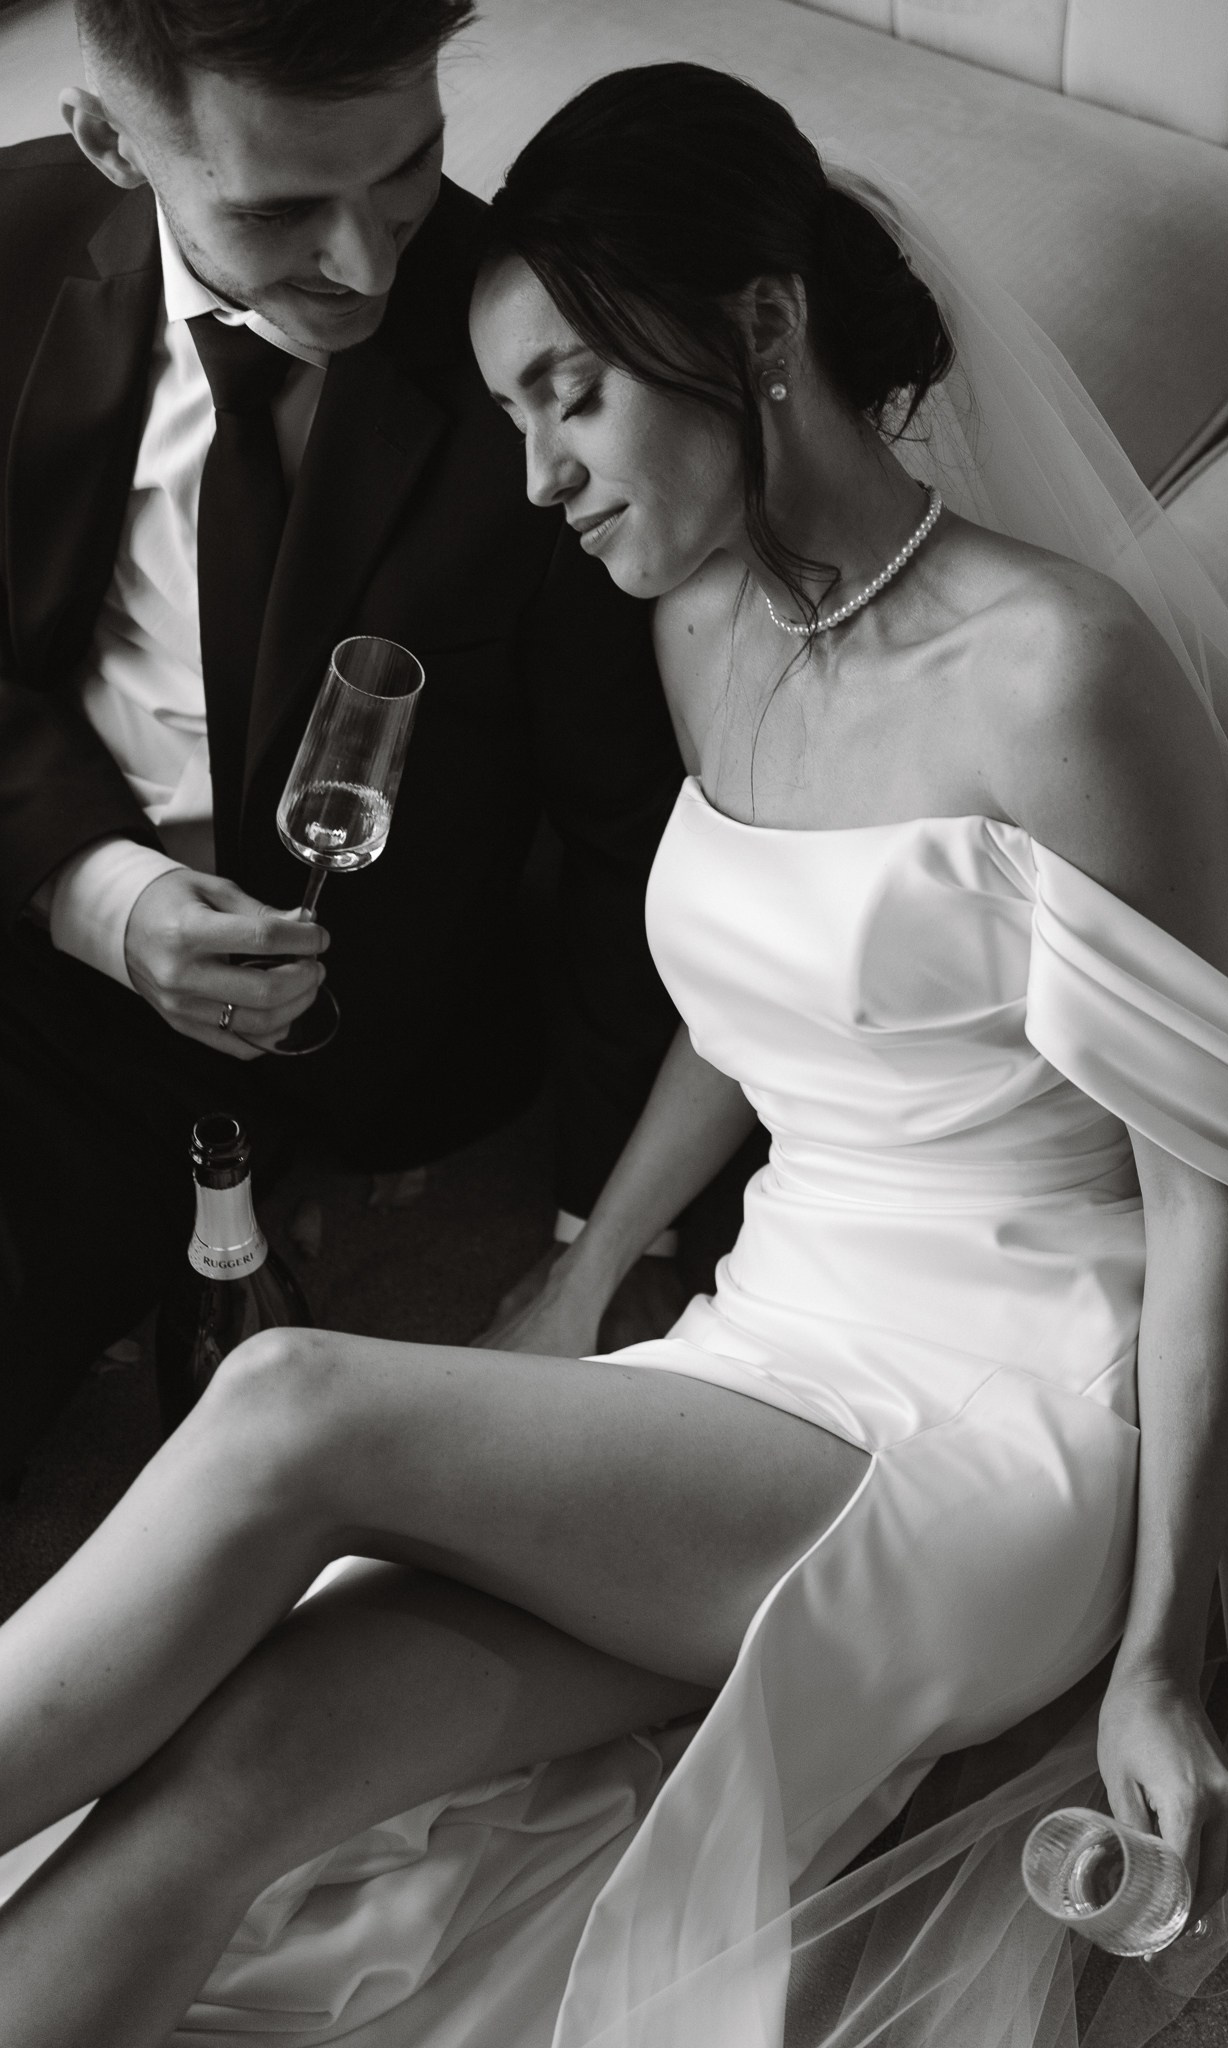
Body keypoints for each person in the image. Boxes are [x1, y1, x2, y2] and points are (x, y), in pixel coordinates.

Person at [1, 60, 1228, 2048]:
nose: (536, 476)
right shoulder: (697, 623)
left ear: (761, 326)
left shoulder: (1055, 675)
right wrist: (581, 1278)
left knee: (293, 1402)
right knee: (232, 1780)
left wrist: (1157, 1656)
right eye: (509, 417)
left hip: (997, 1421)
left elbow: (1214, 1195)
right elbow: (756, 1014)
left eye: (567, 396)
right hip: (753, 1354)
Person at [0, 0, 685, 1484]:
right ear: (111, 141)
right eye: (278, 211)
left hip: (313, 1049)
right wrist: (91, 891)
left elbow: (637, 821)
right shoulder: (10, 247)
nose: (368, 265)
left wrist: (602, 1235)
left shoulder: (546, 359)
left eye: (406, 169)